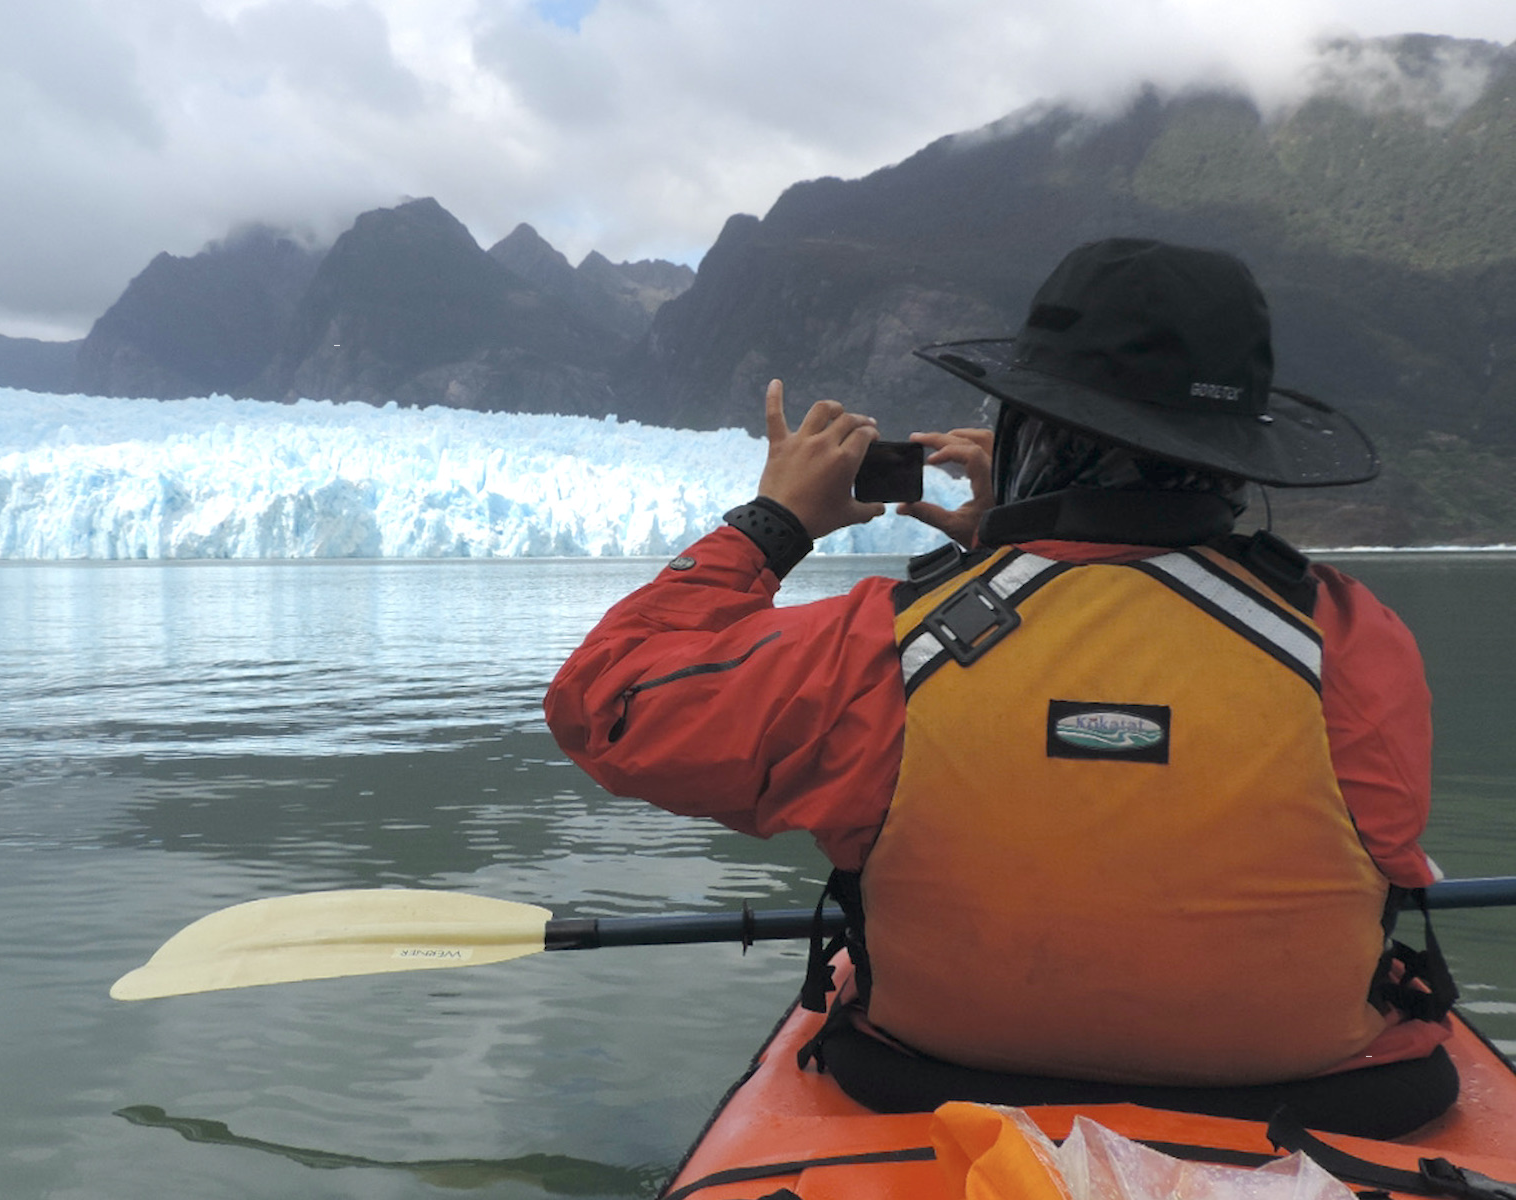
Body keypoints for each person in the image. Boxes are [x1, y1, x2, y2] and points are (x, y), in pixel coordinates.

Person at [544, 238, 1458, 1139]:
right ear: (1234, 451)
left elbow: (606, 704)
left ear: (1032, 427)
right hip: (1311, 1097)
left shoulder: (883, 646)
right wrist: (1014, 547)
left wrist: (771, 524)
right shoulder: (1353, 638)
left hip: (932, 1082)